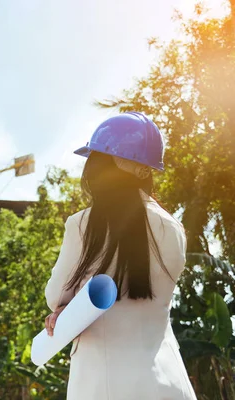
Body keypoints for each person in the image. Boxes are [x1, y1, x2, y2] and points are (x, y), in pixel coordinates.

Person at [44, 112, 197, 400]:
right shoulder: (174, 229)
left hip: (102, 386)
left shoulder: (82, 225)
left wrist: (64, 309)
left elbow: (57, 298)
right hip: (168, 382)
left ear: (99, 167)